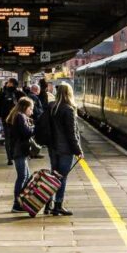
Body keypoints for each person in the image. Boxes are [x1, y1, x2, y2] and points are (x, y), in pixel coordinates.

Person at [48, 83, 83, 216]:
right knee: (61, 178)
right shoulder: (68, 109)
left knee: (53, 176)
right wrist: (78, 150)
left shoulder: (51, 107)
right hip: (65, 150)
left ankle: (48, 204)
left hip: (53, 147)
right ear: (69, 93)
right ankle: (58, 205)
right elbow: (72, 134)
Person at [5, 97, 35, 213]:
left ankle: (21, 202)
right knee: (22, 177)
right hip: (19, 151)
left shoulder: (17, 116)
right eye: (30, 109)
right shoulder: (20, 116)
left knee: (26, 176)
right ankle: (17, 204)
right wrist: (34, 128)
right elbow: (26, 133)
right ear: (25, 107)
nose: (31, 112)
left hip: (19, 151)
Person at [0, 78, 25, 166]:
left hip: (6, 119)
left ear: (11, 84)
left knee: (8, 138)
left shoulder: (3, 94)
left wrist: (1, 115)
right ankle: (15, 155)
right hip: (17, 119)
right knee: (16, 138)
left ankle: (10, 158)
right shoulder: (20, 94)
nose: (7, 84)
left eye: (8, 83)